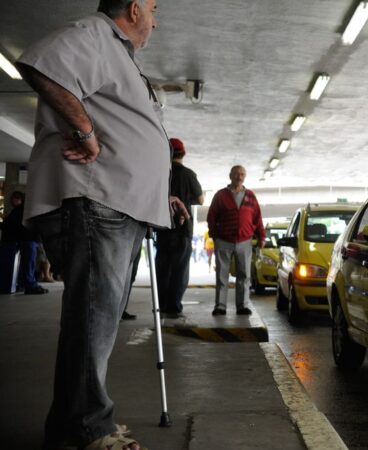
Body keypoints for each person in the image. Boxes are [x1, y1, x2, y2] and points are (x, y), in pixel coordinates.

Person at [14, 1, 188, 448]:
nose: (156, 18)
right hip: (96, 199)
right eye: (152, 8)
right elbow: (41, 65)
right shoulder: (95, 33)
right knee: (94, 319)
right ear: (133, 8)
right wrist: (87, 134)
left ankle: (71, 425)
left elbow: (128, 129)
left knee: (98, 320)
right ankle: (89, 426)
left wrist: (158, 186)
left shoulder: (119, 56)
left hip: (119, 201)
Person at [155, 138, 204, 319]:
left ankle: (161, 305)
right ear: (183, 153)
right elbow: (200, 200)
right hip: (182, 230)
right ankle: (174, 306)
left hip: (162, 227)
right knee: (179, 269)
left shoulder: (160, 173)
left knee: (162, 268)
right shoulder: (188, 174)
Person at [207, 165, 265, 316]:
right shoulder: (220, 195)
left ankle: (242, 305)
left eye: (242, 174)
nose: (240, 177)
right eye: (237, 174)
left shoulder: (250, 196)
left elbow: (257, 218)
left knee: (244, 275)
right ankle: (220, 306)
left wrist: (261, 237)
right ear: (230, 176)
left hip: (245, 241)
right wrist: (215, 236)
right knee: (222, 275)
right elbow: (211, 216)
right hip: (224, 241)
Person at [0, 191, 48, 294]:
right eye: (14, 198)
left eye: (17, 198)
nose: (15, 200)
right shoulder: (21, 211)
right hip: (26, 240)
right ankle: (28, 284)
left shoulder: (19, 211)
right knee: (27, 264)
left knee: (27, 264)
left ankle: (28, 284)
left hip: (26, 240)